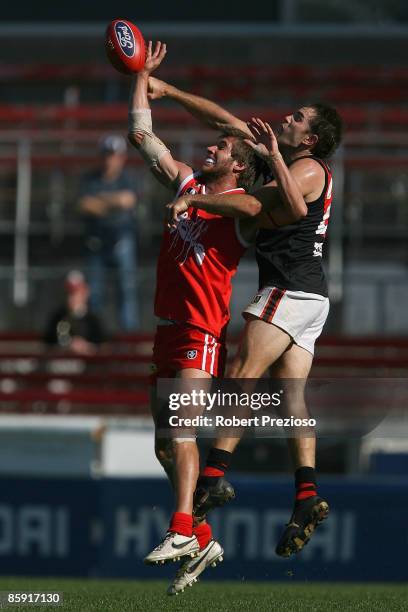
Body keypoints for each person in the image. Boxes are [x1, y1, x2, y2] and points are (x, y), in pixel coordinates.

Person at [158, 77, 343, 558]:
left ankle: (213, 477)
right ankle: (306, 495)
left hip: (291, 286)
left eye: (298, 118)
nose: (288, 117)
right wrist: (170, 92)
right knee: (292, 398)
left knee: (243, 374)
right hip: (311, 296)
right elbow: (222, 121)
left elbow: (260, 205)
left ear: (311, 139)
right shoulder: (275, 151)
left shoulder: (305, 168)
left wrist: (194, 198)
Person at [127, 41, 264, 593]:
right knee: (164, 443)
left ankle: (182, 527)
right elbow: (142, 134)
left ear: (240, 165)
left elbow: (254, 206)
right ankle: (204, 537)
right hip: (166, 331)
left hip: (202, 333)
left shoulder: (242, 210)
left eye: (222, 147)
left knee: (182, 430)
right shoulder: (187, 182)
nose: (211, 148)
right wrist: (141, 74)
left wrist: (199, 204)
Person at [78, 134, 139, 331]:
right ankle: (95, 335)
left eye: (113, 155)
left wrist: (101, 201)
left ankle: (129, 340)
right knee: (94, 294)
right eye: (106, 155)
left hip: (122, 242)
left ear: (122, 157)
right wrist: (114, 202)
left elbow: (128, 200)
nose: (109, 160)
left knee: (126, 292)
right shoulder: (90, 178)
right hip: (95, 243)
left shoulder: (128, 179)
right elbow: (84, 205)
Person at [43, 270, 106, 355]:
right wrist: (68, 347)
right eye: (70, 292)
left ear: (86, 292)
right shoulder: (57, 317)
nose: (72, 296)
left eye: (76, 291)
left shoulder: (94, 320)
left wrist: (87, 347)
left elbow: (104, 347)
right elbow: (47, 345)